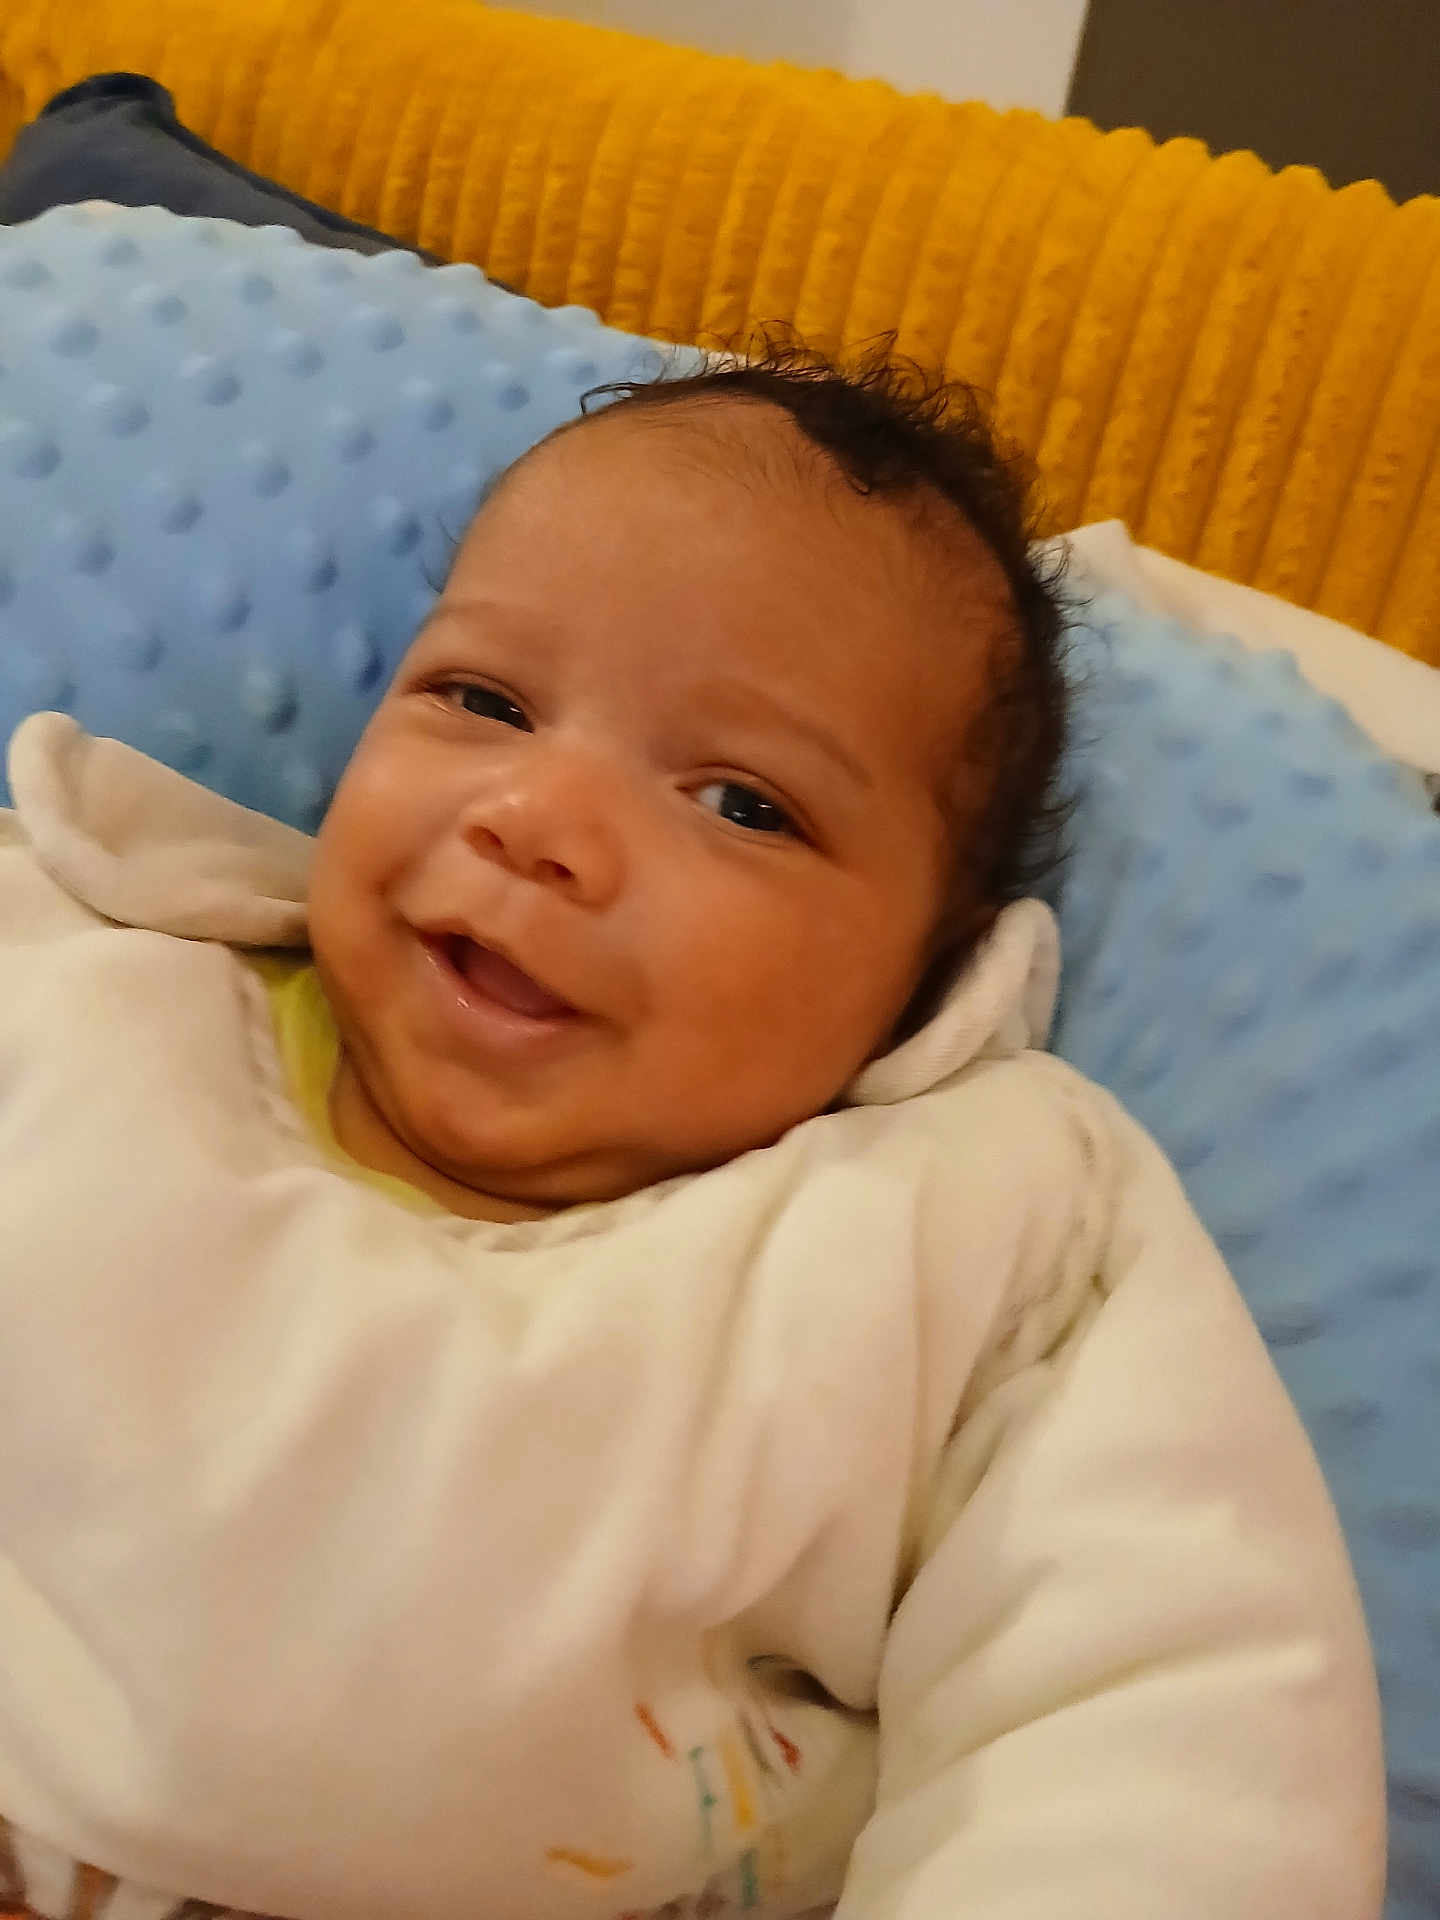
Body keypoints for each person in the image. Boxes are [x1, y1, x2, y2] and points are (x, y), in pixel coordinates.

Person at [0, 342, 1384, 1920]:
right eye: (484, 699)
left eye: (741, 803)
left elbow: (1169, 1724)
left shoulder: (973, 1239)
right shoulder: (79, 989)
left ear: (934, 973)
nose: (538, 822)